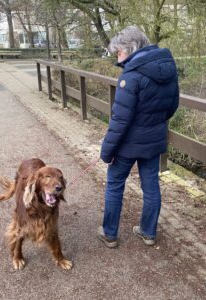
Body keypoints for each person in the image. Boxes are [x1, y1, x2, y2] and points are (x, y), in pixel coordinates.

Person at [98, 26, 179, 248]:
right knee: (151, 185)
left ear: (130, 48)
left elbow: (119, 121)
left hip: (128, 145)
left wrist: (107, 151)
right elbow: (172, 107)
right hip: (154, 142)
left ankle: (110, 234)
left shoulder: (131, 76)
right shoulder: (168, 69)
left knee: (115, 184)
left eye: (119, 52)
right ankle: (148, 232)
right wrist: (152, 124)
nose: (118, 57)